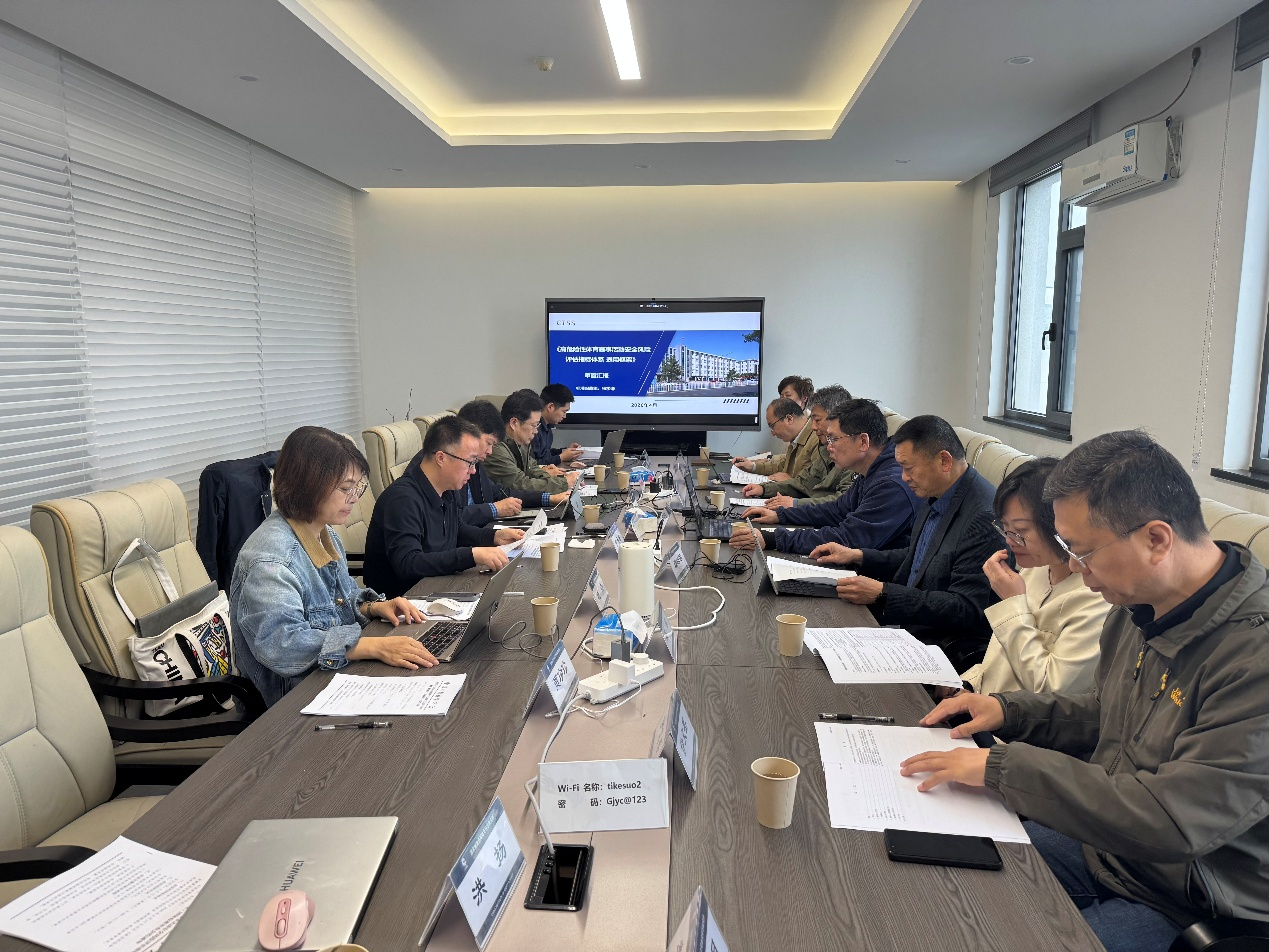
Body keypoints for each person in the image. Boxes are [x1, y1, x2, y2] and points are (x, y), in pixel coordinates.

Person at [902, 431, 1269, 951]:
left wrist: (1004, 767)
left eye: (1083, 551)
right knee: (942, 875)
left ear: (1157, 540)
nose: (1075, 568)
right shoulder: (1137, 607)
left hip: (1187, 895)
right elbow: (1107, 713)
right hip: (1107, 846)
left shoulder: (1254, 657)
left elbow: (1172, 819)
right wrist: (1007, 711)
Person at [230, 427, 436, 707]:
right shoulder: (271, 560)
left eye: (357, 487)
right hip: (289, 702)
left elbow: (337, 602)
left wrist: (372, 608)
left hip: (331, 678)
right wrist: (372, 645)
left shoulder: (322, 532)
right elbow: (282, 644)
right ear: (307, 484)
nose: (355, 498)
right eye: (345, 488)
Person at [808, 414, 998, 666]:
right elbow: (919, 557)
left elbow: (966, 607)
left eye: (908, 468)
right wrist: (858, 555)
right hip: (903, 625)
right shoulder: (937, 490)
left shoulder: (982, 516)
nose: (904, 477)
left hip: (934, 645)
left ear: (944, 461)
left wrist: (883, 594)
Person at [960, 456, 1109, 694]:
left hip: (1013, 716)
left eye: (1020, 530)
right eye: (1005, 528)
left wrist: (1012, 604)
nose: (1010, 541)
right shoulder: (1036, 566)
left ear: (1059, 525)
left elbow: (1048, 689)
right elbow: (1000, 659)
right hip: (981, 702)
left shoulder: (1097, 597)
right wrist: (968, 683)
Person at [363, 416, 524, 598]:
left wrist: (494, 536)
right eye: (470, 462)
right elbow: (408, 563)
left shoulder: (447, 490)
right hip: (403, 601)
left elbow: (456, 529)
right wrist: (471, 555)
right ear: (441, 458)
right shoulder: (402, 499)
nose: (473, 470)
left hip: (437, 586)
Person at [732, 398, 918, 555]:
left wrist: (774, 538)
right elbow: (836, 510)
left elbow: (848, 539)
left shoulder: (891, 483)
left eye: (834, 439)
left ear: (863, 441)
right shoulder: (872, 470)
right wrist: (781, 514)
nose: (829, 446)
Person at [456, 400, 570, 527]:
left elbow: (501, 492)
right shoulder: (453, 469)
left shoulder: (476, 464)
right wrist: (494, 509)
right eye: (489, 443)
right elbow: (452, 518)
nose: (490, 451)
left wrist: (549, 498)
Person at [741, 385, 854, 508]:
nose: (813, 427)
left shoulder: (854, 455)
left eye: (817, 420)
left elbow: (844, 502)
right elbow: (804, 483)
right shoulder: (824, 447)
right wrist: (764, 489)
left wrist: (795, 504)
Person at [484, 390, 582, 494]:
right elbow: (521, 485)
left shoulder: (520, 443)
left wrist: (559, 477)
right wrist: (564, 482)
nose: (536, 431)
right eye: (533, 425)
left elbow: (531, 468)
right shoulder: (495, 450)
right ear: (514, 423)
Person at [732, 397, 815, 481]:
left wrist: (791, 482)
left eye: (772, 426)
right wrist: (753, 466)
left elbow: (816, 484)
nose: (773, 433)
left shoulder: (816, 440)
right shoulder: (796, 439)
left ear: (789, 419)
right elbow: (784, 466)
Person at [530, 383, 585, 470]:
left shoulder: (547, 427)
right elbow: (533, 464)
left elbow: (545, 454)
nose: (565, 416)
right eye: (564, 411)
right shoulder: (533, 430)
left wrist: (565, 451)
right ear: (550, 407)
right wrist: (561, 457)